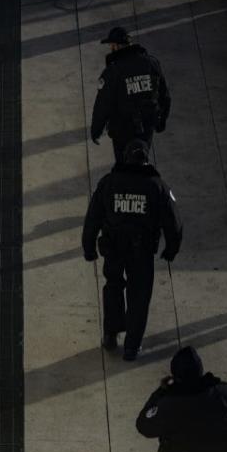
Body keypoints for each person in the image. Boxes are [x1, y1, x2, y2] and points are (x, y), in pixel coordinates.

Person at [81, 139, 182, 360]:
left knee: (113, 288)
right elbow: (173, 221)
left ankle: (110, 334)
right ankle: (132, 346)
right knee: (139, 295)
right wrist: (171, 249)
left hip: (114, 249)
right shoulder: (157, 186)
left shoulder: (109, 183)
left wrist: (89, 248)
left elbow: (93, 218)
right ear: (146, 160)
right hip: (141, 252)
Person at [91, 26, 172, 163]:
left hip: (122, 128)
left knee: (123, 166)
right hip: (147, 126)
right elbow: (164, 96)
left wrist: (96, 130)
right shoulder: (151, 63)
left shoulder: (112, 71)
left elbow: (103, 104)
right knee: (141, 160)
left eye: (111, 45)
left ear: (116, 46)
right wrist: (161, 120)